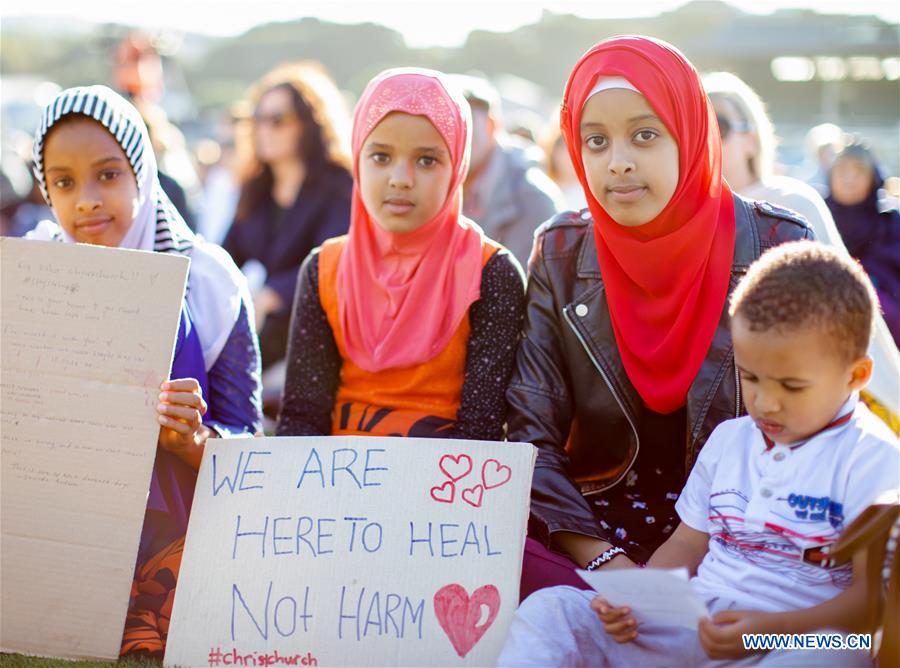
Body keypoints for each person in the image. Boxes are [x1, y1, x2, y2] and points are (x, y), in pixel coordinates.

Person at [506, 36, 814, 599]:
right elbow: (532, 439)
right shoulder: (559, 252)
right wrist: (606, 564)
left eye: (644, 134)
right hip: (593, 532)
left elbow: (807, 436)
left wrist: (698, 556)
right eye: (594, 141)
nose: (617, 161)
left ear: (692, 135)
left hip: (744, 531)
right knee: (501, 570)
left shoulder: (779, 245)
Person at [499, 241, 900, 667]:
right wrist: (640, 602)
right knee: (555, 610)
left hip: (810, 639)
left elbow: (869, 607)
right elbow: (688, 543)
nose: (766, 402)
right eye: (751, 377)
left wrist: (769, 631)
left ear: (856, 375)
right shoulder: (731, 440)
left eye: (792, 386)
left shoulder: (873, 460)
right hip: (701, 628)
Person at [27, 85, 262, 657]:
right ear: (45, 190)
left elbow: (249, 443)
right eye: (63, 181)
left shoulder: (206, 279)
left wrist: (190, 440)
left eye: (108, 175)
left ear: (142, 174)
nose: (85, 200)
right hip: (53, 518)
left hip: (176, 527)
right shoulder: (33, 273)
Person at [277, 68, 525, 441]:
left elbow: (482, 430)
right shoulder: (324, 269)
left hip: (444, 485)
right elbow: (301, 417)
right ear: (357, 158)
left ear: (456, 166)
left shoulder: (490, 272)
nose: (401, 178)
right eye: (380, 156)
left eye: (427, 160)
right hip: (329, 485)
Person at [705, 72, 899, 432]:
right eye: (693, 124)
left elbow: (846, 310)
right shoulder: (682, 215)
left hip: (796, 400)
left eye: (717, 123)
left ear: (751, 137)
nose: (705, 136)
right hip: (714, 410)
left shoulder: (791, 202)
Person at [223, 62, 353, 372]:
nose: (264, 129)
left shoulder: (338, 185)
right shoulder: (256, 186)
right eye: (258, 119)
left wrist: (272, 295)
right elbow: (225, 257)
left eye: (277, 120)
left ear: (311, 123)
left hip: (314, 323)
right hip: (268, 323)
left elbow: (333, 263)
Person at [451, 74, 565, 267]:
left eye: (465, 128)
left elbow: (526, 291)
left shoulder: (532, 199)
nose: (456, 141)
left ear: (491, 126)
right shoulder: (442, 183)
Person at [827, 141, 900, 347]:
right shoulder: (817, 214)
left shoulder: (889, 222)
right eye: (842, 170)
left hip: (884, 328)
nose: (849, 178)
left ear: (873, 179)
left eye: (859, 171)